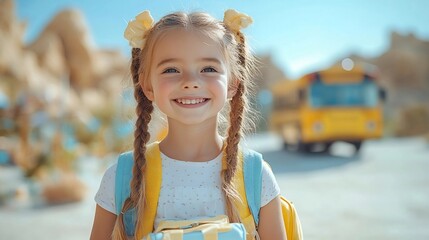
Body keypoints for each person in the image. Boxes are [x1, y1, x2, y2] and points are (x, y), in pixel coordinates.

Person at [90, 9, 286, 240]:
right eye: (171, 69)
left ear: (233, 83)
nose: (191, 82)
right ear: (147, 85)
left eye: (209, 69)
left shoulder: (256, 175)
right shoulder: (122, 177)